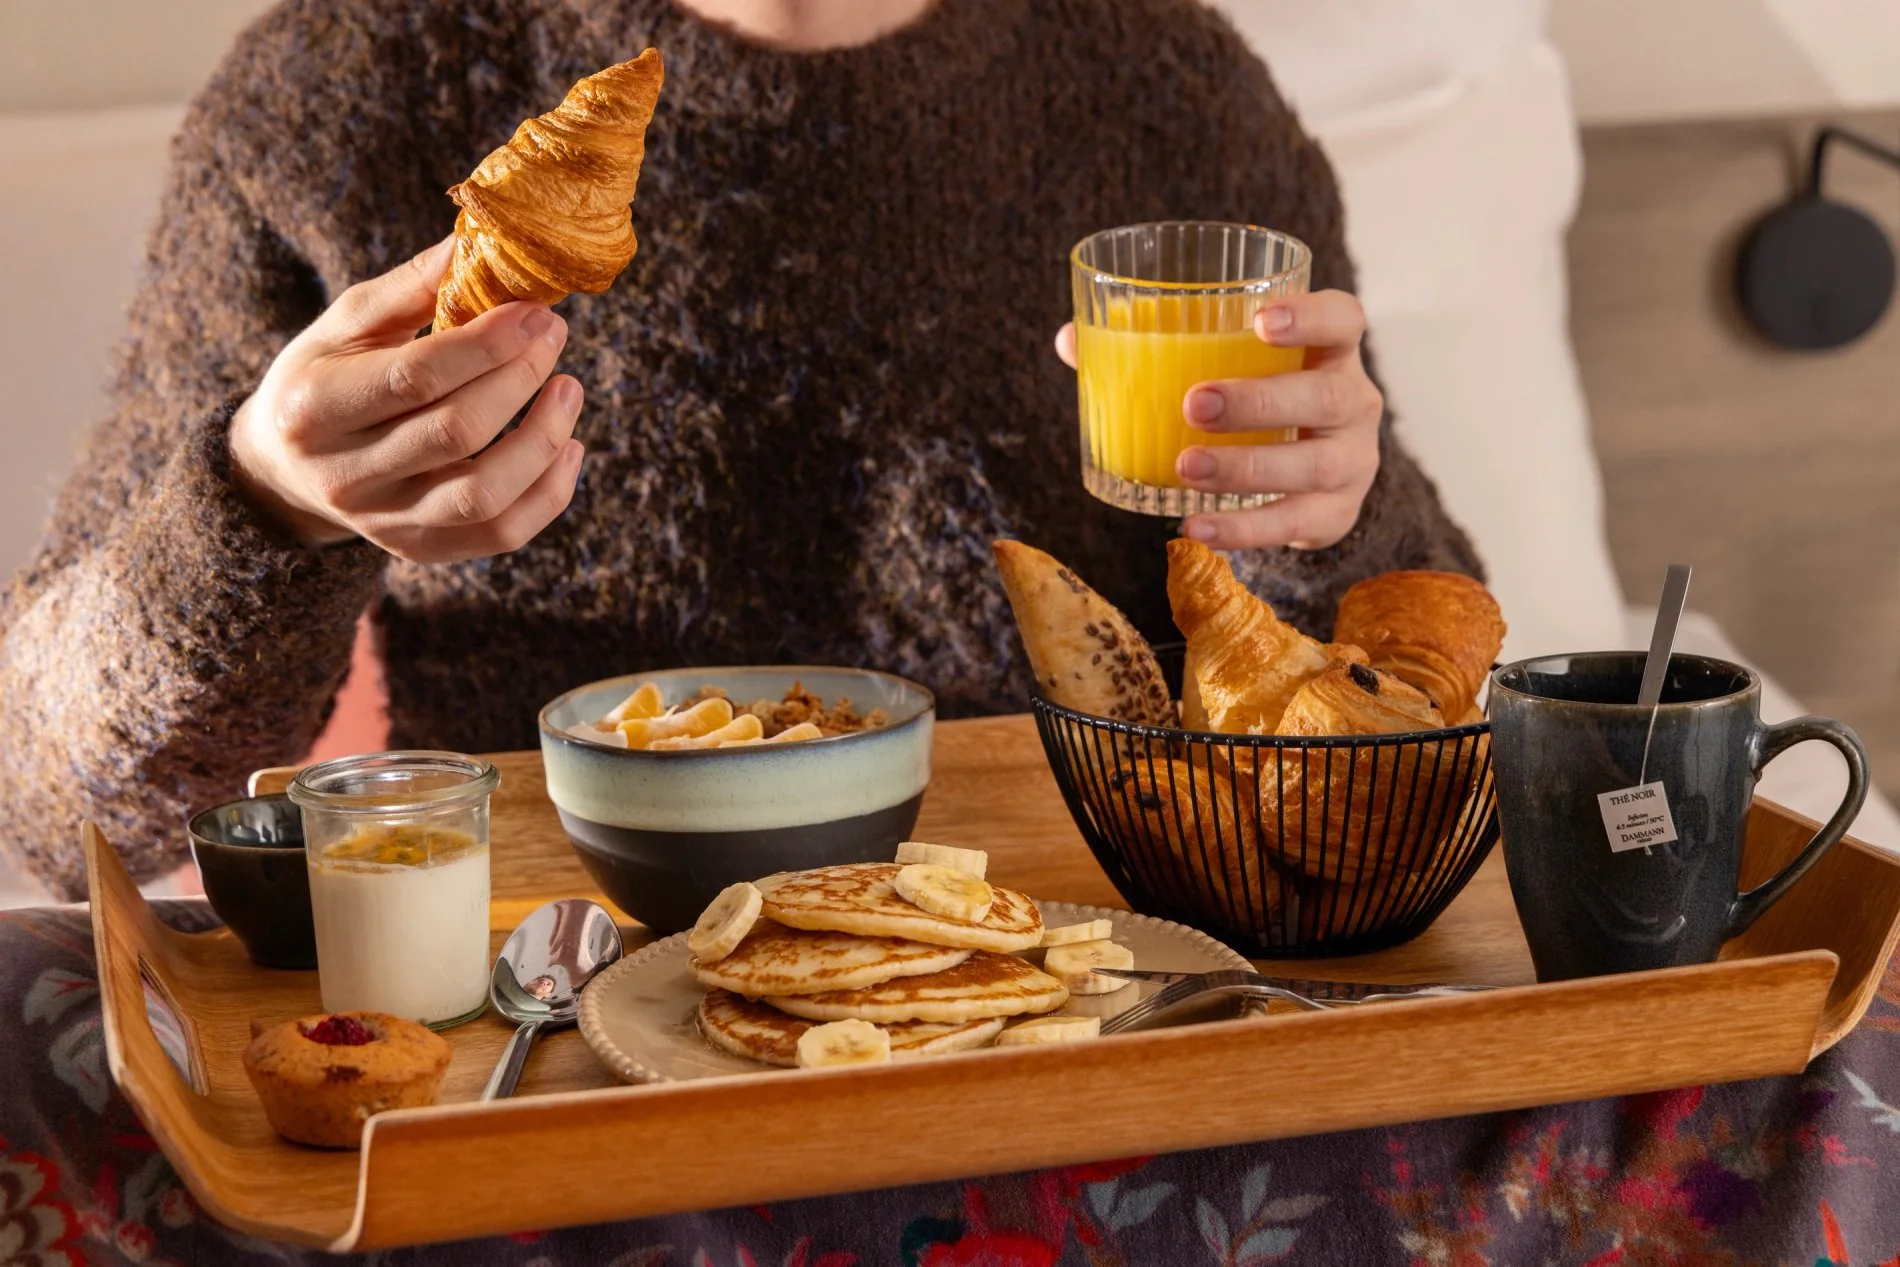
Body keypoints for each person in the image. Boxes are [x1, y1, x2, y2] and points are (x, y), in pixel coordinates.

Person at [0, 0, 1478, 899]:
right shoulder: (351, 89)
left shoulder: (1173, 89)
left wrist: (1337, 516)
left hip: (1081, 987)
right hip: (556, 1004)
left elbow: (1435, 690)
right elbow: (57, 813)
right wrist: (261, 503)